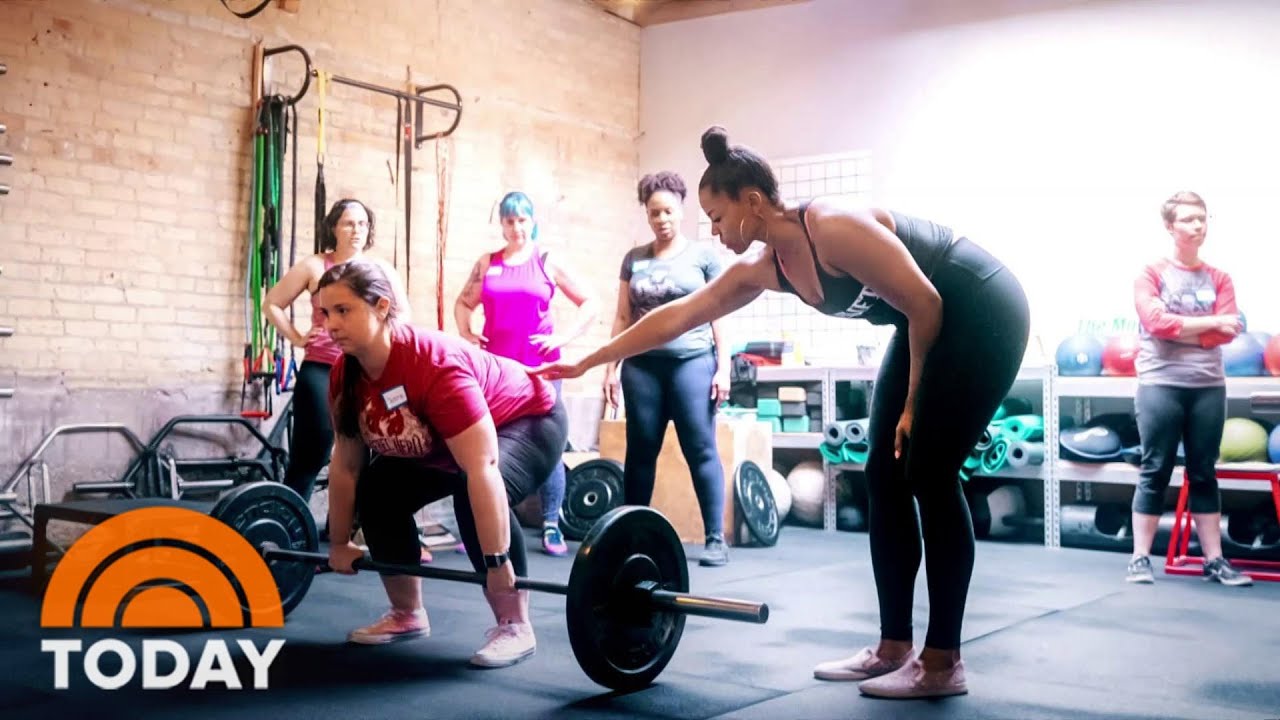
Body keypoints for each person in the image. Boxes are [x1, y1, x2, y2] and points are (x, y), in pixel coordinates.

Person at [537, 127, 1031, 698]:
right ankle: (893, 647)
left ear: (751, 202)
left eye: (717, 217)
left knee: (927, 472)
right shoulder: (769, 268)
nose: (714, 232)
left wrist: (914, 406)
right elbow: (678, 316)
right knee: (881, 473)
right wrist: (589, 359)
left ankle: (942, 662)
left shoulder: (830, 226)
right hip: (922, 322)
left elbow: (926, 301)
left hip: (981, 305)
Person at [319, 259, 567, 668]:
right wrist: (339, 543)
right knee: (378, 489)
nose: (330, 324)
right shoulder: (345, 375)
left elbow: (482, 468)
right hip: (447, 441)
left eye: (342, 311)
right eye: (325, 313)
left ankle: (514, 623)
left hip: (528, 419)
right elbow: (346, 466)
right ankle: (407, 613)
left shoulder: (432, 364)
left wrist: (497, 563)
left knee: (473, 497)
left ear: (382, 307)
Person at [454, 191, 599, 556]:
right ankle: (483, 521)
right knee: (486, 445)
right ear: (501, 224)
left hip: (540, 369)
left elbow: (590, 303)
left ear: (532, 222)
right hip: (496, 371)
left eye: (522, 220)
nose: (516, 227)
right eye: (509, 220)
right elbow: (463, 302)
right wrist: (467, 333)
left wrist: (563, 337)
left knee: (545, 445)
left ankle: (552, 524)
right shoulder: (488, 262)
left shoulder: (547, 261)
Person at [603, 171, 733, 567]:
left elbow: (720, 315)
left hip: (691, 362)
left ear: (681, 210)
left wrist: (722, 367)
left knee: (700, 447)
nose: (662, 219)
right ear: (647, 213)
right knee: (641, 451)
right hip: (641, 366)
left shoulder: (703, 257)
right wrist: (611, 367)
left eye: (669, 212)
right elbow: (623, 316)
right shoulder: (634, 259)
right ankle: (631, 534)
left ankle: (714, 538)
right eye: (654, 212)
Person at [1127, 191, 1252, 587]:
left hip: (1208, 386)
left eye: (1202, 218)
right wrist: (1207, 323)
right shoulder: (1151, 274)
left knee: (1203, 472)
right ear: (1170, 226)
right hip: (1160, 383)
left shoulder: (1220, 278)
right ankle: (1140, 559)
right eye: (1188, 219)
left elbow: (1226, 333)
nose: (1198, 225)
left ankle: (1214, 561)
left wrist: (1180, 328)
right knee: (1155, 470)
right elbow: (1156, 323)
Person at [264, 198, 411, 503]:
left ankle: (345, 528)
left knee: (365, 453)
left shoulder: (381, 269)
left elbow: (403, 318)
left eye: (362, 224)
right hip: (322, 368)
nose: (356, 230)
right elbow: (272, 304)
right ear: (333, 227)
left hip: (366, 372)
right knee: (312, 451)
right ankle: (291, 527)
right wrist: (298, 337)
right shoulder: (315, 266)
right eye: (348, 223)